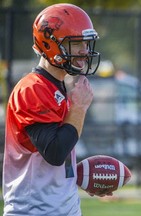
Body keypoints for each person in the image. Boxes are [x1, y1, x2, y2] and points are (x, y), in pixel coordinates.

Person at [2, 3, 110, 216]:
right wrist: (78, 108)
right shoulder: (32, 89)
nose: (85, 52)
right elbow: (55, 152)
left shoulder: (61, 86)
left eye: (86, 44)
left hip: (62, 207)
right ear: (50, 44)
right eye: (77, 43)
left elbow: (54, 158)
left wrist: (78, 176)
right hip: (34, 210)